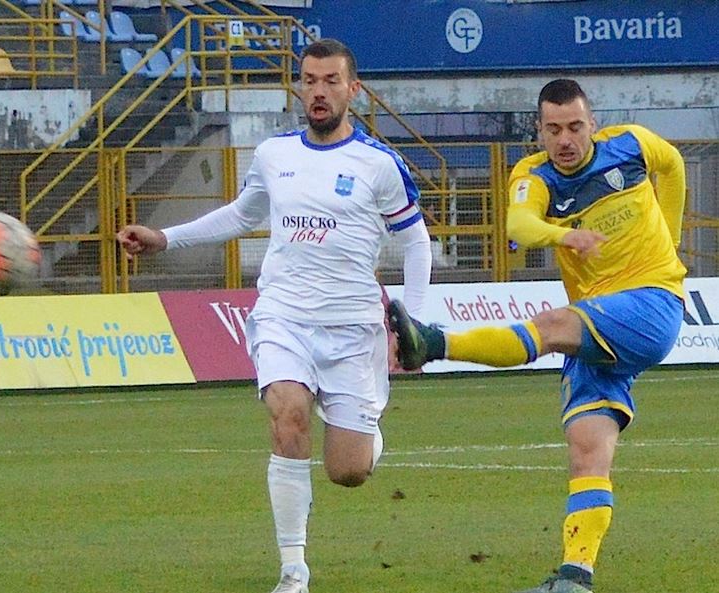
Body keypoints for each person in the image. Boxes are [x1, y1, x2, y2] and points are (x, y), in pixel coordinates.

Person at [117, 39, 432, 593]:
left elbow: (416, 245)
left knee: (348, 471)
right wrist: (165, 238)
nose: (319, 91)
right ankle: (293, 571)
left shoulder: (380, 165)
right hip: (284, 316)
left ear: (352, 90)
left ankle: (366, 437)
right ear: (299, 86)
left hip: (354, 328)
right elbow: (243, 214)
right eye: (309, 80)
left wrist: (416, 326)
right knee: (288, 417)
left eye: (331, 81)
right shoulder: (274, 154)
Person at [388, 79, 686, 593]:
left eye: (574, 126)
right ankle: (576, 576)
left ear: (592, 123)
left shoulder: (632, 145)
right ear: (539, 131)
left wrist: (673, 244)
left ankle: (432, 344)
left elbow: (673, 165)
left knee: (549, 326)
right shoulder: (535, 176)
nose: (565, 139)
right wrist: (563, 234)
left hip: (654, 301)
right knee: (587, 449)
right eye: (553, 129)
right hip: (598, 318)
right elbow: (521, 226)